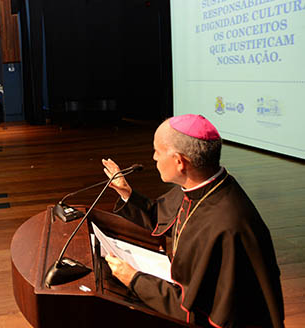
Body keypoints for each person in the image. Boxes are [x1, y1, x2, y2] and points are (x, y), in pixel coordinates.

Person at [102, 114, 284, 327]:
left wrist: (134, 279)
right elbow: (161, 216)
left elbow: (192, 311)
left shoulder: (225, 223)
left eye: (157, 152)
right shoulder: (203, 185)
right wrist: (127, 193)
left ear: (179, 162)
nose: (153, 158)